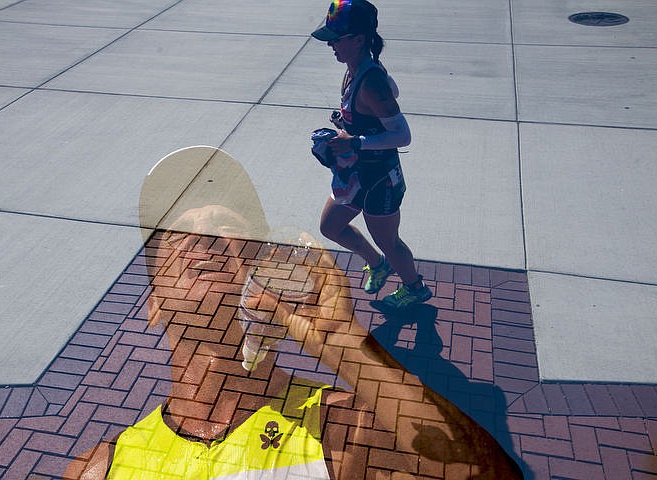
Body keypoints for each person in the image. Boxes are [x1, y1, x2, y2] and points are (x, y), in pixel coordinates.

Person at [64, 146, 523, 479]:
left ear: (265, 279)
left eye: (226, 228)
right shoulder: (98, 467)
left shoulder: (341, 431)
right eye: (177, 233)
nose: (202, 236)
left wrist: (345, 344)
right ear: (153, 306)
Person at [312, 0, 432, 310]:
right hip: (355, 174)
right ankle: (377, 265)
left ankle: (415, 288)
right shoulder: (354, 71)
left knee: (389, 241)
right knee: (330, 227)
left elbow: (403, 135)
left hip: (381, 179)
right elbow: (376, 112)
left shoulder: (371, 82)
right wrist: (344, 125)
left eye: (337, 38)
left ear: (359, 39)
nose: (331, 45)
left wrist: (355, 142)